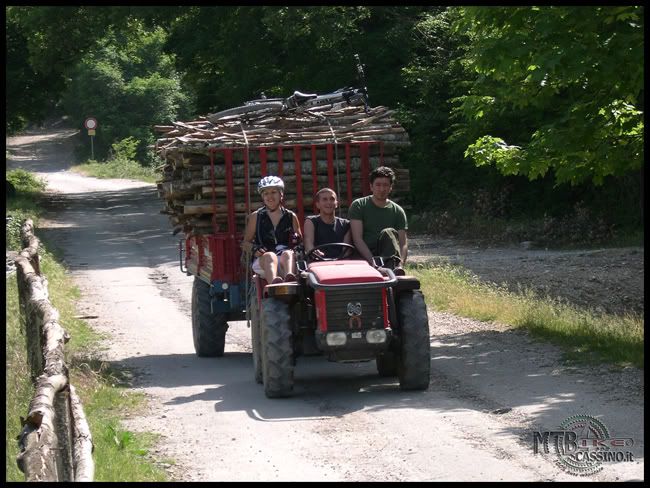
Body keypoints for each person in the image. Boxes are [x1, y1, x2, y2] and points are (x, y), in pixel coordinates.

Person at [242, 176, 302, 284]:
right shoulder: (256, 216)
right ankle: (274, 285)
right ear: (262, 197)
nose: (270, 196)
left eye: (273, 192)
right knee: (271, 256)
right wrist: (254, 248)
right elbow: (245, 243)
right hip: (264, 260)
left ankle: (290, 281)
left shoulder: (290, 216)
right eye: (266, 193)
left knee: (288, 253)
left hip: (285, 259)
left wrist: (296, 243)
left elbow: (300, 241)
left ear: (281, 194)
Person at [349, 166, 407, 275]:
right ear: (371, 186)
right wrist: (373, 263)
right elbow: (357, 239)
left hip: (388, 255)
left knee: (388, 232)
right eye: (378, 185)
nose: (382, 189)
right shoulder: (359, 205)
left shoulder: (398, 211)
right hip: (364, 255)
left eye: (385, 185)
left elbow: (403, 243)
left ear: (390, 187)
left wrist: (401, 264)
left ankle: (393, 269)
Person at [303, 187, 352, 260]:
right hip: (318, 263)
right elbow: (308, 245)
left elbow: (346, 252)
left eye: (332, 199)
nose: (329, 202)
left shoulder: (345, 224)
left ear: (336, 204)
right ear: (317, 205)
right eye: (325, 199)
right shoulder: (311, 221)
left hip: (340, 264)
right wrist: (314, 253)